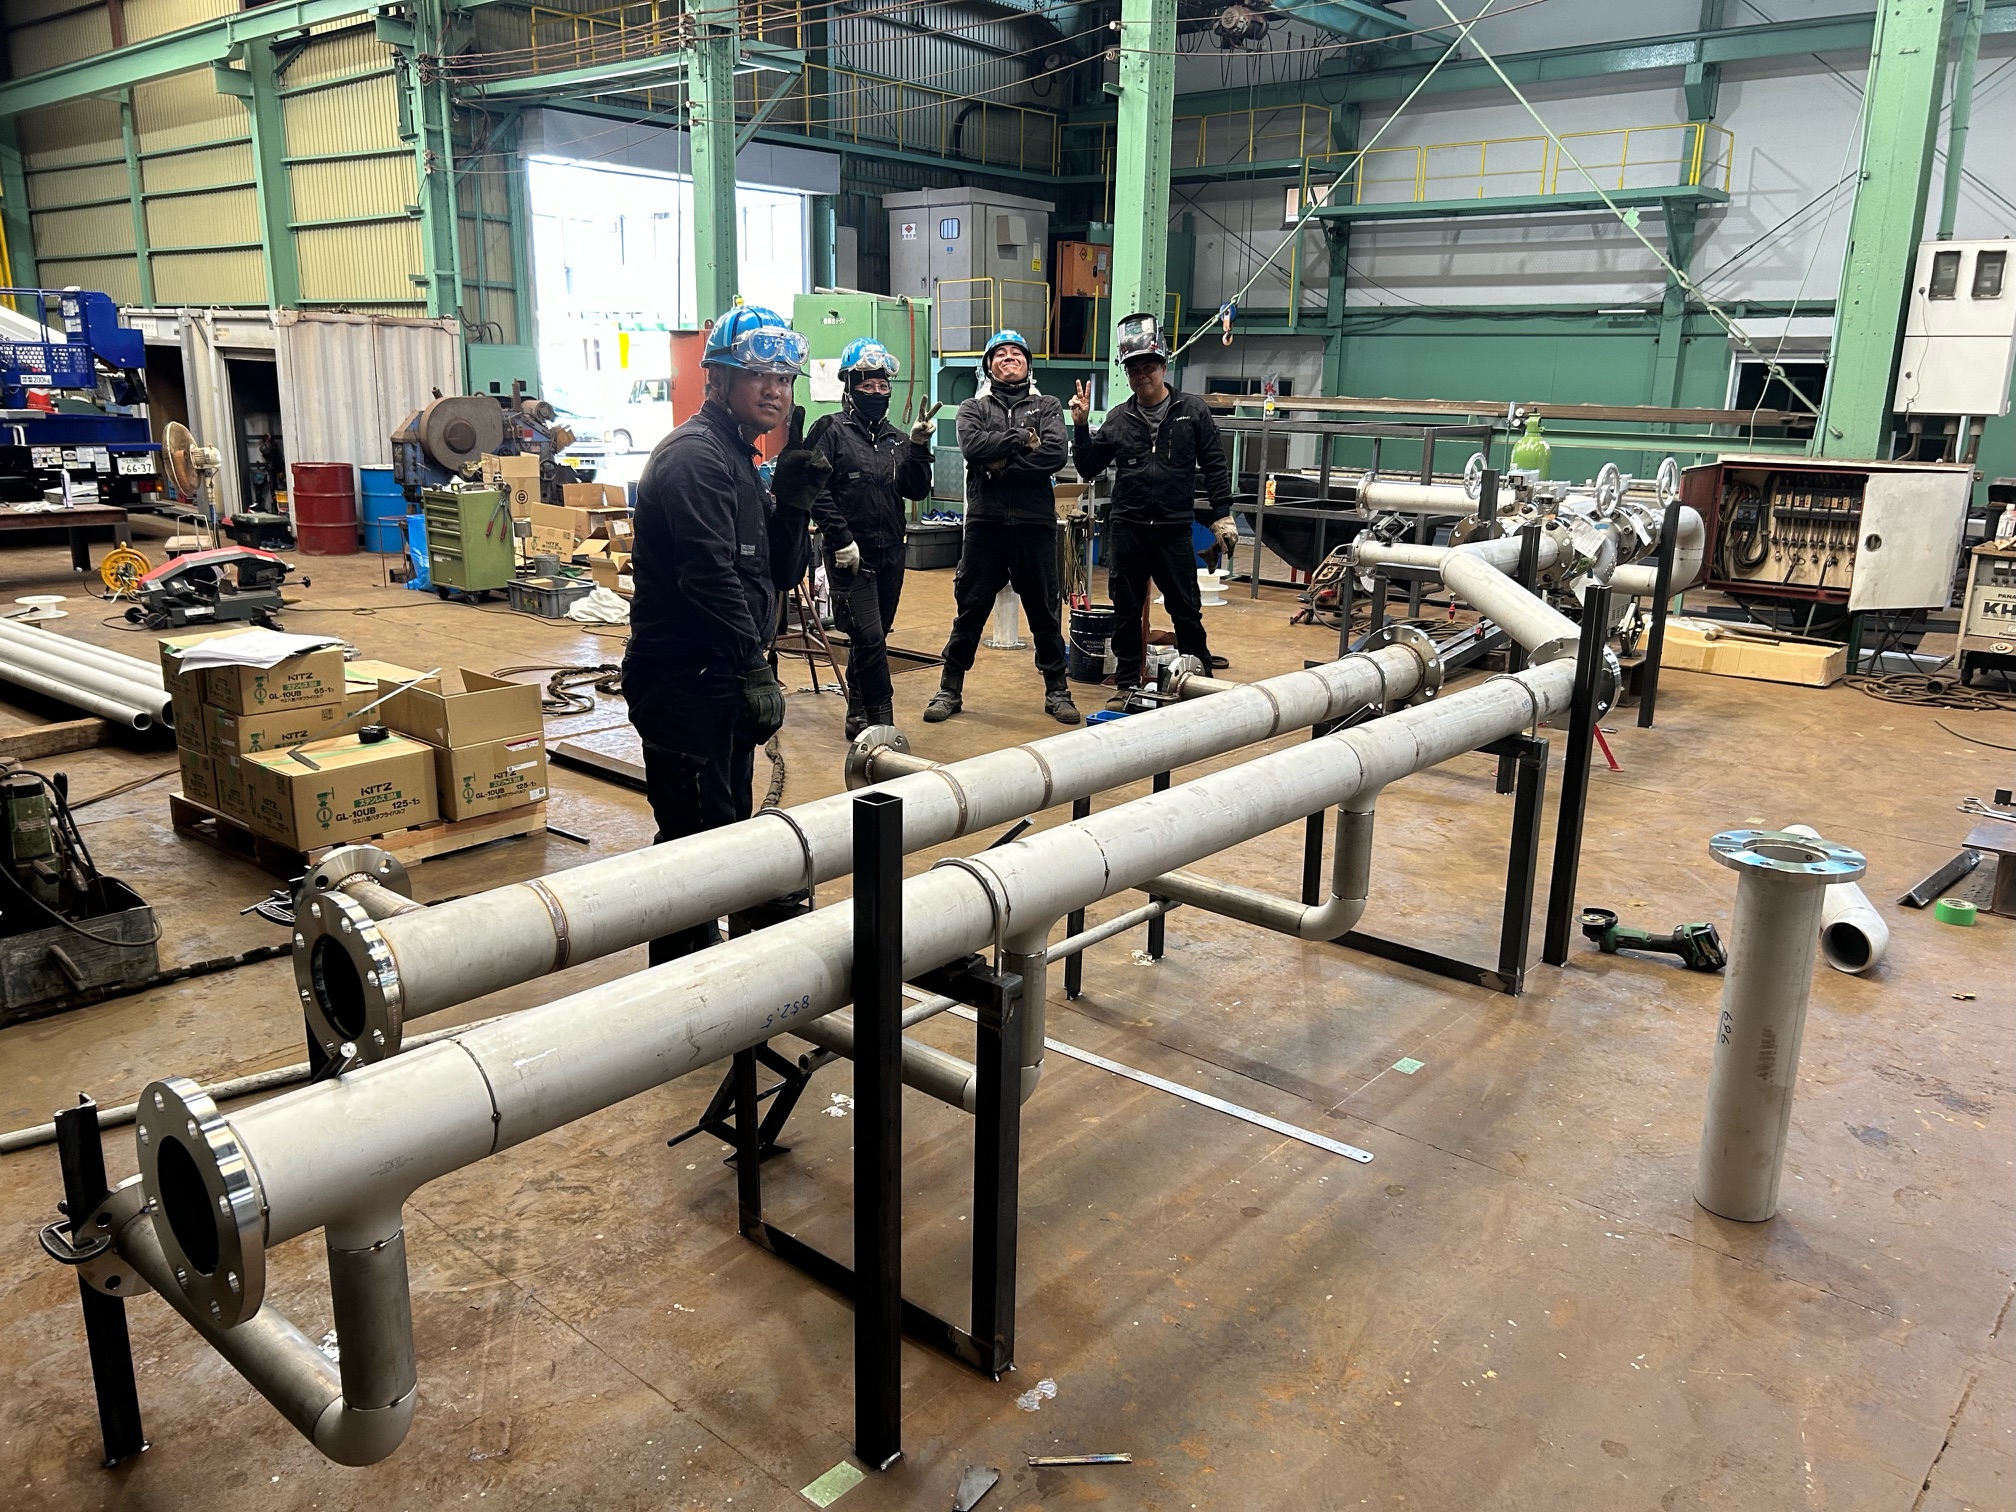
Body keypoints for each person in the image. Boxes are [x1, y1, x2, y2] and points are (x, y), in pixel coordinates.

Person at [623, 305, 827, 962]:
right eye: (760, 375)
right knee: (694, 852)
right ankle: (680, 988)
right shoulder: (695, 459)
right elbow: (707, 577)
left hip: (721, 681)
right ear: (717, 378)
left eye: (785, 380)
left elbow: (778, 574)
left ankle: (716, 980)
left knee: (725, 835)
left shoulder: (740, 460)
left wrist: (792, 505)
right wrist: (753, 666)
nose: (776, 390)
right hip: (685, 685)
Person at [1069, 312, 1236, 707]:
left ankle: (1200, 682)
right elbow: (1089, 467)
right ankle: (1127, 683)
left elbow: (1215, 464)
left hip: (1173, 528)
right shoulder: (1118, 418)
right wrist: (1080, 426)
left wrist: (1222, 513)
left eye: (1148, 366)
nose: (1141, 375)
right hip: (1129, 528)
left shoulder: (1192, 411)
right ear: (1126, 374)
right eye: (1133, 369)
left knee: (1186, 609)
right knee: (1126, 611)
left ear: (1163, 366)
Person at [923, 328, 1080, 726]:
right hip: (986, 525)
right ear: (989, 365)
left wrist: (1002, 464)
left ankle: (1057, 691)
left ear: (1028, 363)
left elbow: (1054, 455)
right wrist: (1021, 438)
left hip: (1034, 525)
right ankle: (949, 688)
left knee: (1045, 612)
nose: (1009, 358)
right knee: (970, 610)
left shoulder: (1047, 405)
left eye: (1016, 353)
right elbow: (972, 447)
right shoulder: (972, 409)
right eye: (1000, 353)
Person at [807, 337, 940, 739]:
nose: (877, 392)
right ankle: (883, 722)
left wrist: (919, 447)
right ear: (850, 387)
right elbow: (815, 490)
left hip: (891, 554)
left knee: (874, 637)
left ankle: (856, 710)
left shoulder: (897, 439)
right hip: (850, 555)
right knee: (869, 636)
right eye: (867, 385)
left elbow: (916, 489)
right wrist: (841, 538)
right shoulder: (830, 431)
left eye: (883, 385)